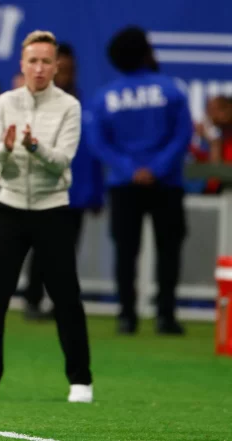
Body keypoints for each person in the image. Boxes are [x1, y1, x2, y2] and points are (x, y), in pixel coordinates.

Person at [0, 30, 93, 403]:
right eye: (32, 61)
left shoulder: (69, 107)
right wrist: (4, 147)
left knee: (66, 296)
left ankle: (80, 381)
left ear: (56, 67)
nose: (39, 68)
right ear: (22, 65)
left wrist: (35, 147)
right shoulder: (5, 103)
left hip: (52, 209)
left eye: (46, 61)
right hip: (11, 206)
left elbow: (62, 161)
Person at [87, 26, 193, 335]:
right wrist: (157, 168)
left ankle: (127, 316)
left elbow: (99, 143)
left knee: (125, 252)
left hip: (124, 185)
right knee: (169, 250)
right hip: (167, 183)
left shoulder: (106, 96)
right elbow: (183, 134)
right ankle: (166, 317)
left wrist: (130, 169)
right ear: (146, 52)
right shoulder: (171, 90)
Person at [22, 43, 105, 320]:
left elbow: (92, 155)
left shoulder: (84, 110)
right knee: (41, 248)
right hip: (44, 191)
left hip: (76, 194)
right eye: (63, 70)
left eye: (70, 70)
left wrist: (95, 194)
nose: (67, 75)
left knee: (67, 253)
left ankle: (59, 303)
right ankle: (33, 299)